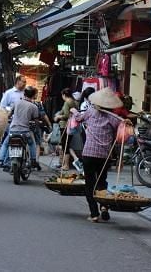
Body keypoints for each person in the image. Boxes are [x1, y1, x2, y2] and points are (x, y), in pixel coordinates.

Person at [70, 87, 126, 222]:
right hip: (104, 156)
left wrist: (73, 110)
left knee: (90, 184)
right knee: (101, 182)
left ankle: (94, 213)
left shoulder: (90, 112)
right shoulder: (114, 119)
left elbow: (78, 117)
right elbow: (120, 134)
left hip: (89, 153)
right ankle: (104, 207)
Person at [0, 86, 40, 172]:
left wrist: (8, 120)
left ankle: (0, 161)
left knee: (5, 144)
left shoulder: (17, 102)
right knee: (31, 144)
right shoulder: (34, 107)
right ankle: (33, 160)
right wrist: (36, 127)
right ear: (33, 95)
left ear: (24, 94)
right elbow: (36, 121)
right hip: (25, 132)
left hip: (13, 130)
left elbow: (9, 114)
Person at [54, 88, 79, 171]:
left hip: (65, 126)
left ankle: (66, 165)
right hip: (72, 126)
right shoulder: (74, 102)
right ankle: (64, 163)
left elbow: (66, 115)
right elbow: (63, 111)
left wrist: (58, 117)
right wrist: (59, 114)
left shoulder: (67, 102)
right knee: (66, 144)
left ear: (64, 95)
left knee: (65, 145)